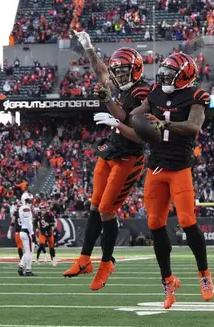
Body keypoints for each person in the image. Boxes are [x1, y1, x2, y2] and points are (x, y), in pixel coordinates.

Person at [102, 51, 214, 309]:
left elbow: (193, 127)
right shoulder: (155, 92)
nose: (163, 76)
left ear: (184, 76)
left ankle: (204, 275)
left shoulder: (196, 97)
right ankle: (168, 281)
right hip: (156, 168)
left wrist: (164, 126)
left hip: (179, 167)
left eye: (169, 73)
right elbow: (132, 115)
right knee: (154, 224)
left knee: (187, 222)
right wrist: (114, 106)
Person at [64, 31, 149, 291]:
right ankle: (84, 259)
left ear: (135, 71)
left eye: (123, 71)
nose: (117, 75)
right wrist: (89, 47)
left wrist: (108, 100)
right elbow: (101, 70)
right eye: (117, 71)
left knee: (106, 211)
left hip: (129, 157)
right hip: (111, 149)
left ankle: (106, 263)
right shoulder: (117, 80)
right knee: (94, 206)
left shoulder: (144, 92)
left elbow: (124, 116)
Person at [18, 192, 36, 276]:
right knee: (29, 252)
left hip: (23, 231)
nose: (30, 202)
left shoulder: (22, 207)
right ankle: (28, 270)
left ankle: (21, 266)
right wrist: (32, 233)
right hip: (27, 231)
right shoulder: (26, 208)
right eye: (29, 200)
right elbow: (27, 221)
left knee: (27, 251)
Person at [35, 201, 57, 267]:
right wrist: (36, 227)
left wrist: (49, 224)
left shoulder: (50, 214)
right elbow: (35, 221)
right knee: (41, 244)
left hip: (49, 231)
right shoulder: (38, 214)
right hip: (42, 232)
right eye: (41, 209)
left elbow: (53, 223)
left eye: (43, 209)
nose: (42, 210)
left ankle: (53, 259)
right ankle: (37, 259)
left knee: (51, 247)